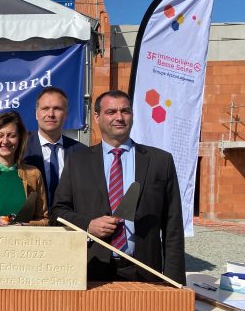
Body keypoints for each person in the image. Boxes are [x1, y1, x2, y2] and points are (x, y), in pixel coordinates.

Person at [50, 90, 185, 284]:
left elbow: (173, 227)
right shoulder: (77, 162)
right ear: (97, 117)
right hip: (92, 269)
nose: (119, 117)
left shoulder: (160, 161)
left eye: (125, 111)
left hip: (145, 271)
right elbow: (58, 212)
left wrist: (174, 282)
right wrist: (88, 225)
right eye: (111, 112)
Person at [0, 111, 48, 225]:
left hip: (25, 241)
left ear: (20, 140)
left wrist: (27, 225)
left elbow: (44, 219)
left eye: (12, 136)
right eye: (0, 135)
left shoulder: (33, 174)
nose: (5, 141)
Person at [23, 86, 86, 207]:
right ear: (37, 114)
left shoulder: (82, 152)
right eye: (45, 108)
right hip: (31, 223)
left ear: (66, 114)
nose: (51, 114)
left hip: (69, 222)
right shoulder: (20, 149)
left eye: (57, 109)